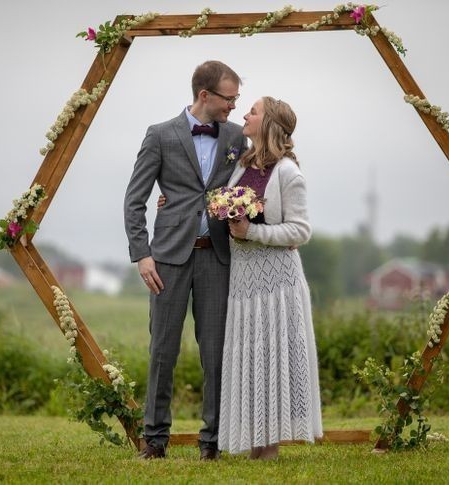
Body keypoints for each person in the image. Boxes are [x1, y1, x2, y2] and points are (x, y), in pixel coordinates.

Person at [123, 60, 249, 461]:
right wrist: (142, 254)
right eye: (229, 98)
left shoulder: (236, 137)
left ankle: (211, 443)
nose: (234, 106)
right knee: (162, 352)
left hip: (217, 258)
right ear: (204, 95)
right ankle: (154, 441)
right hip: (168, 261)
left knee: (216, 354)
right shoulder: (160, 135)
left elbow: (252, 184)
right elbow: (134, 200)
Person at [218, 96, 323, 460]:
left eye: (253, 111)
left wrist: (254, 233)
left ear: (269, 124)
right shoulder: (242, 166)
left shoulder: (288, 173)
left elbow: (300, 230)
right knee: (251, 363)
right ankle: (254, 445)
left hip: (277, 285)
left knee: (274, 362)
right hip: (243, 283)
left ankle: (270, 449)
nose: (245, 115)